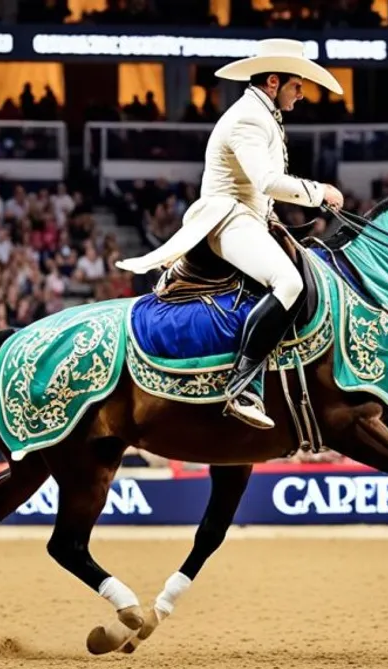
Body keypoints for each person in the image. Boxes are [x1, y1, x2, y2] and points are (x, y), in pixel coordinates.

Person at [116, 39, 345, 430]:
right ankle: (242, 386)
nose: (302, 93)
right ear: (273, 81)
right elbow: (266, 180)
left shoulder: (264, 113)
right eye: (297, 85)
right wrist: (318, 192)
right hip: (227, 218)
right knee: (288, 283)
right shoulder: (249, 118)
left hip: (250, 218)